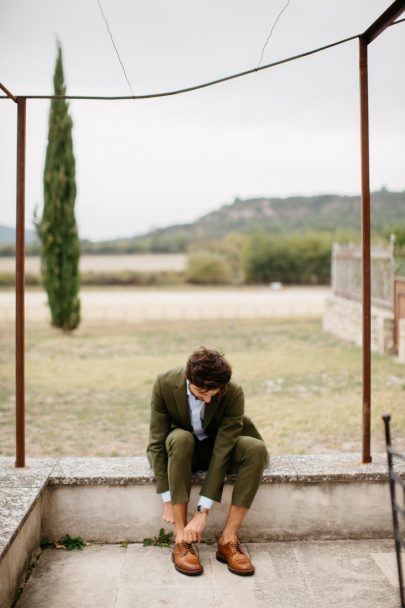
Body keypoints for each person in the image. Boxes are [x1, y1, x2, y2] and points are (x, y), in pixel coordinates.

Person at [146, 347, 269, 576]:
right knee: (181, 438)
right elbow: (156, 443)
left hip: (217, 447)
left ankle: (228, 540)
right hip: (183, 450)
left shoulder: (232, 392)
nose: (208, 398)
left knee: (256, 449)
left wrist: (202, 511)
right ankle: (182, 540)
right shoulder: (164, 383)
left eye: (214, 393)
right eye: (201, 393)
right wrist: (167, 497)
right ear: (188, 378)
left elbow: (222, 453)